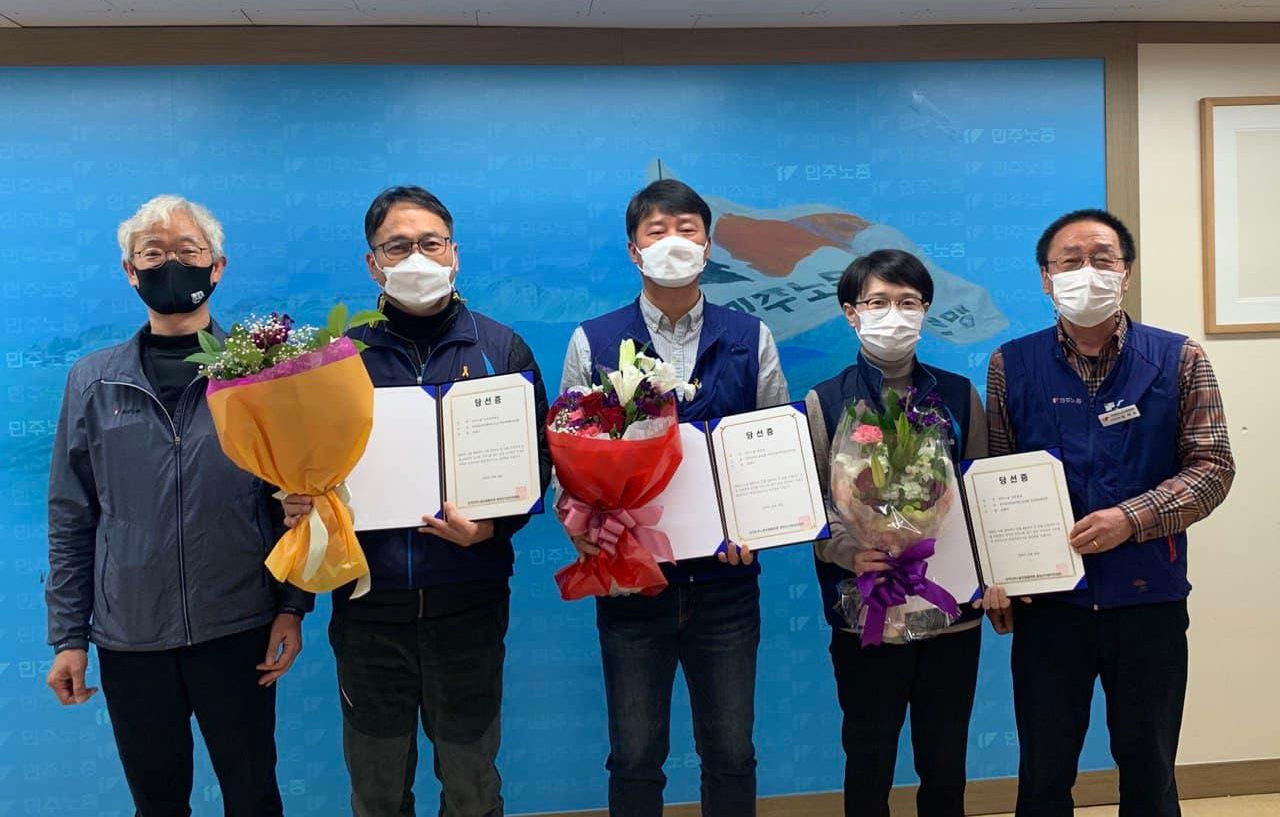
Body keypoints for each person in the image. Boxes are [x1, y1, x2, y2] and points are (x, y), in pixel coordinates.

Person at [282, 185, 551, 817]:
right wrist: (296, 502)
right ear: (372, 263)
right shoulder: (337, 359)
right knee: (377, 793)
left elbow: (538, 463)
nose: (417, 258)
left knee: (472, 787)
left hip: (470, 607)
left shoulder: (501, 348)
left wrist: (490, 529)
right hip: (368, 613)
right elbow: (305, 473)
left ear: (455, 253)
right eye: (397, 247)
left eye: (431, 243)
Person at [46, 194, 312, 817]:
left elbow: (297, 503)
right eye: (153, 253)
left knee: (254, 797)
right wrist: (68, 636)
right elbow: (71, 519)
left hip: (239, 626)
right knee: (158, 804)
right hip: (130, 637)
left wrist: (293, 607)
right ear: (129, 270)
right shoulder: (93, 381)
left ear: (217, 266)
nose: (172, 264)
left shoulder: (259, 374)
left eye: (189, 251)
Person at [981, 208, 1235, 817]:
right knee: (1044, 772)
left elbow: (1213, 467)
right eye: (1070, 262)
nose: (1087, 272)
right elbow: (994, 478)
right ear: (1046, 278)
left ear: (1126, 273)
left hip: (1148, 596)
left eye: (1103, 259)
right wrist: (997, 573)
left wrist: (1132, 518)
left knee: (1150, 769)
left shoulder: (1179, 358)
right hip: (1050, 603)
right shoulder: (1010, 364)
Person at [558, 177, 789, 817]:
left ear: (708, 245)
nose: (674, 242)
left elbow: (776, 449)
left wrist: (761, 527)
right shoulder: (593, 341)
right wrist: (580, 525)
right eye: (656, 231)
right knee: (635, 756)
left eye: (687, 230)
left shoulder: (750, 337)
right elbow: (567, 457)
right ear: (634, 250)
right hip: (632, 583)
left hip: (726, 583)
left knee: (731, 752)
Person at [808, 249, 987, 817]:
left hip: (951, 612)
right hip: (866, 608)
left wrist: (992, 574)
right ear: (851, 313)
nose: (894, 314)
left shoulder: (958, 396)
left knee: (945, 761)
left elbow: (981, 497)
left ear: (926, 310)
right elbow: (815, 510)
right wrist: (851, 553)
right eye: (878, 302)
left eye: (908, 302)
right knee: (868, 758)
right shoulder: (826, 400)